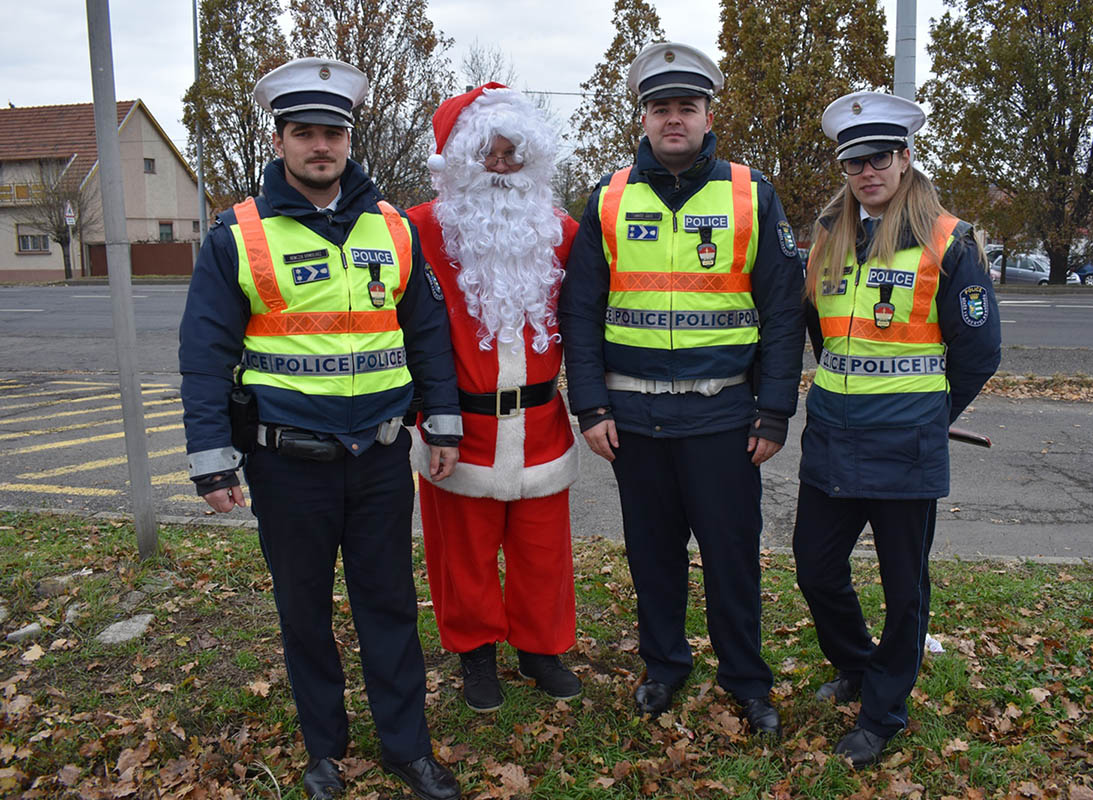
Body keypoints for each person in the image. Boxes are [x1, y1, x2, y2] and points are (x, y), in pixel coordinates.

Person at [178, 57, 463, 800]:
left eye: (332, 132)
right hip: (287, 464)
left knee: (390, 606)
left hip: (376, 456)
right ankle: (324, 751)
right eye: (304, 132)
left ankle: (408, 747)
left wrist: (443, 421)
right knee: (303, 611)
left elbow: (427, 331)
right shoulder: (237, 236)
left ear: (348, 139)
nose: (320, 146)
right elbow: (204, 354)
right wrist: (212, 459)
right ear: (280, 141)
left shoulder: (394, 228)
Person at [559, 42, 806, 736]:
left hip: (725, 418)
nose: (674, 119)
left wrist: (777, 411)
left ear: (707, 114)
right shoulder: (607, 199)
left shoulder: (750, 194)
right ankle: (663, 667)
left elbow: (784, 310)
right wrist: (591, 404)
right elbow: (578, 311)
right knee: (653, 558)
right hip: (633, 421)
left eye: (686, 107)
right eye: (661, 107)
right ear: (643, 117)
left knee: (732, 560)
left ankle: (746, 680)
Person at [793, 90, 1001, 768]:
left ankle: (883, 710)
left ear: (906, 158)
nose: (866, 171)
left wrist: (929, 417)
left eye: (879, 156)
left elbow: (978, 352)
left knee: (904, 589)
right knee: (816, 569)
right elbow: (823, 336)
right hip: (831, 437)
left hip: (905, 447)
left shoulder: (949, 239)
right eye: (853, 161)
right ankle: (855, 665)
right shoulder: (829, 234)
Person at [405, 83, 582, 712]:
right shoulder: (419, 231)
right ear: (459, 162)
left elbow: (585, 324)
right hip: (460, 429)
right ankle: (476, 655)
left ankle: (540, 649)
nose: (502, 168)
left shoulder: (561, 231)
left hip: (541, 424)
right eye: (489, 154)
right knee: (464, 555)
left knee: (542, 552)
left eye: (514, 155)